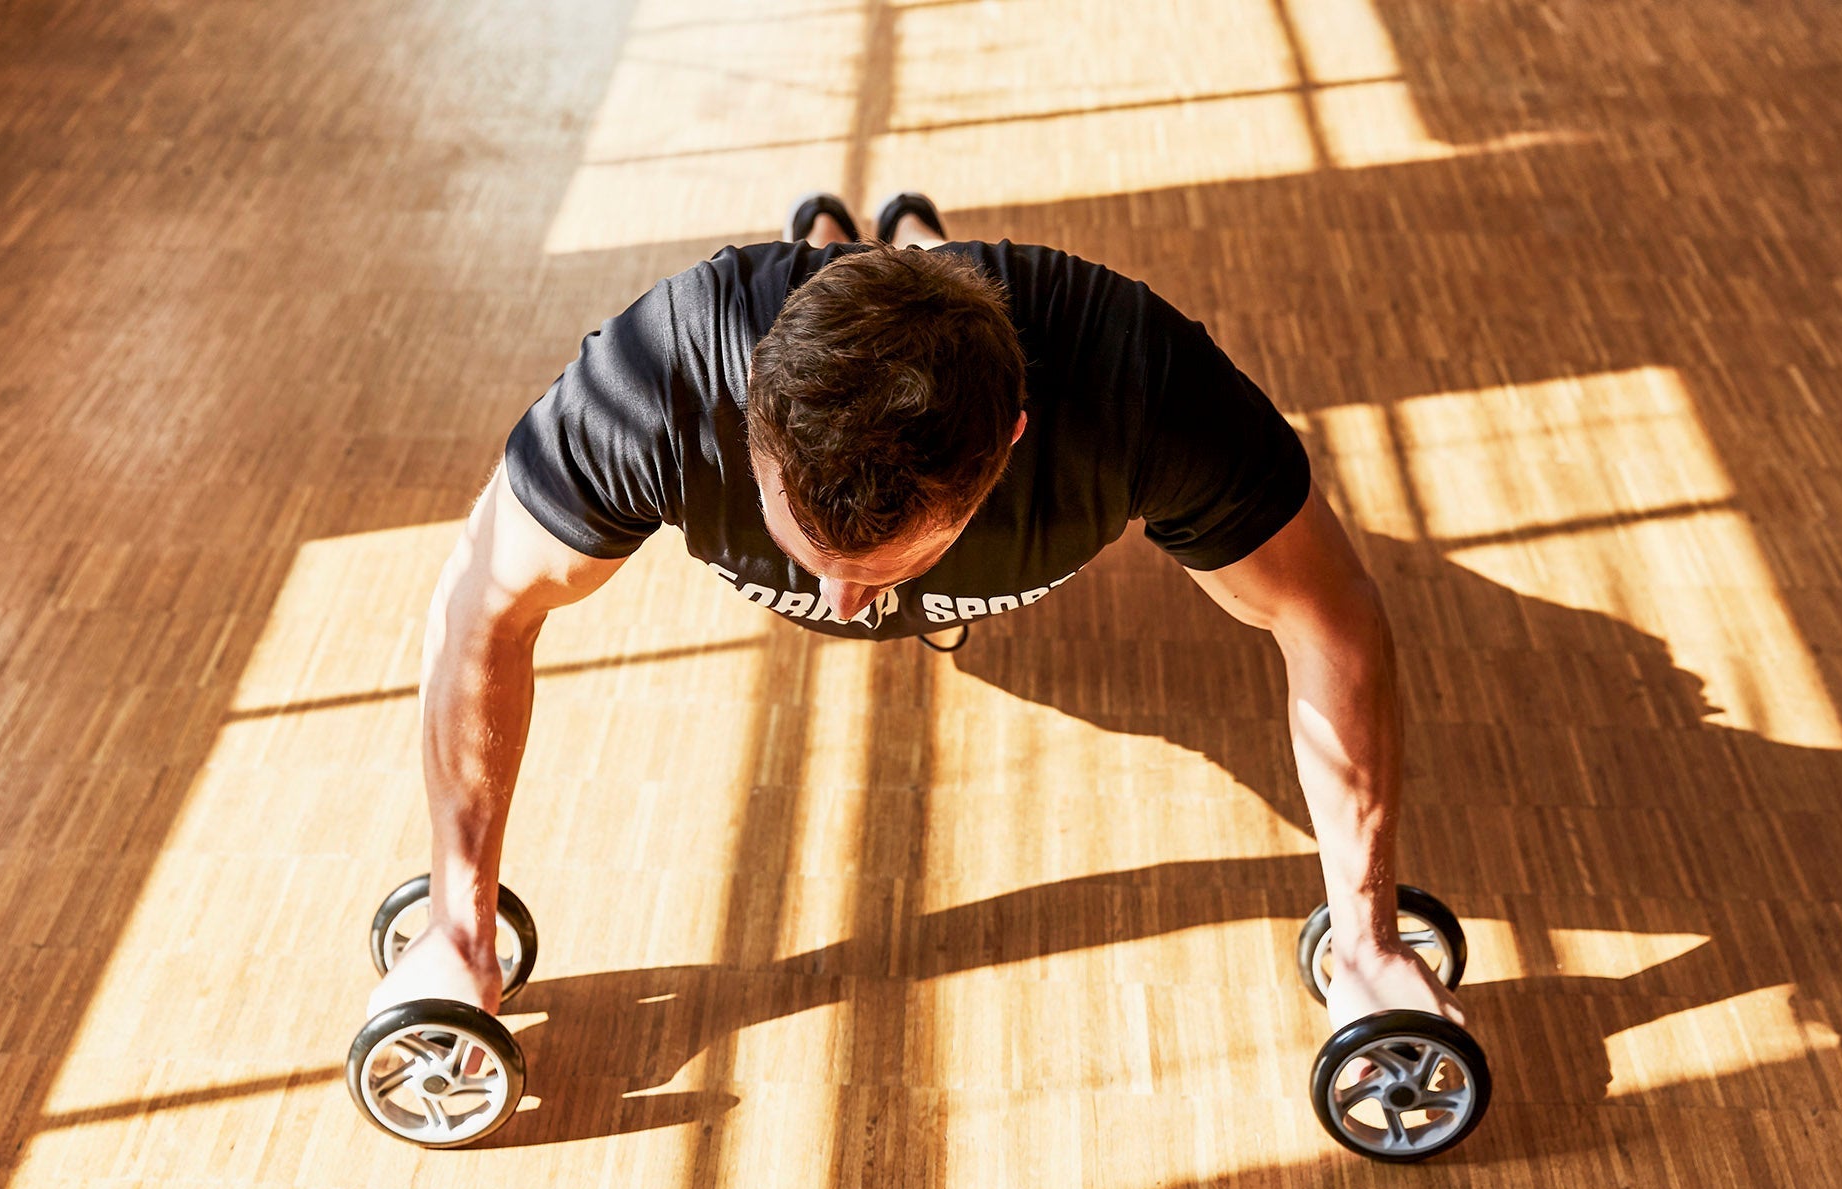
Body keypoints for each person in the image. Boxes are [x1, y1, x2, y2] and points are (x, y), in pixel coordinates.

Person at [365, 191, 1462, 1041]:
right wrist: (457, 922)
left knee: (938, 285)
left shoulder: (1136, 381)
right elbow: (482, 605)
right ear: (749, 429)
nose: (841, 608)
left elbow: (1332, 617)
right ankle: (860, 239)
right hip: (796, 328)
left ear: (1011, 444)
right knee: (897, 283)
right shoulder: (658, 378)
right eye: (810, 557)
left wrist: (1364, 940)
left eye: (893, 566)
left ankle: (903, 238)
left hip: (1020, 345)